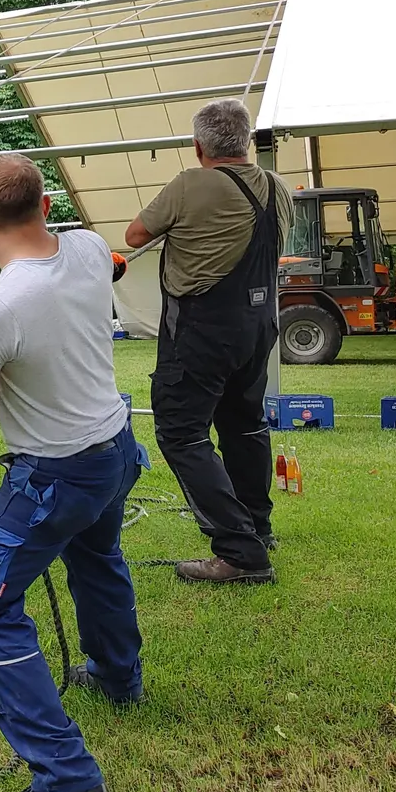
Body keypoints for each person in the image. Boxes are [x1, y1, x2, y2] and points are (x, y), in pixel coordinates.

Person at [0, 154, 147, 792]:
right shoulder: (87, 248)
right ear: (47, 206)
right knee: (96, 556)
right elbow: (114, 264)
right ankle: (117, 677)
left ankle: (69, 784)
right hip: (115, 450)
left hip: (56, 474)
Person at [124, 98, 291, 585]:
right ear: (246, 141)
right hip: (259, 325)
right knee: (245, 426)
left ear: (198, 146)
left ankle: (240, 552)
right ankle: (257, 528)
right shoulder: (278, 187)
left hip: (202, 329)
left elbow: (135, 235)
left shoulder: (190, 184)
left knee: (181, 433)